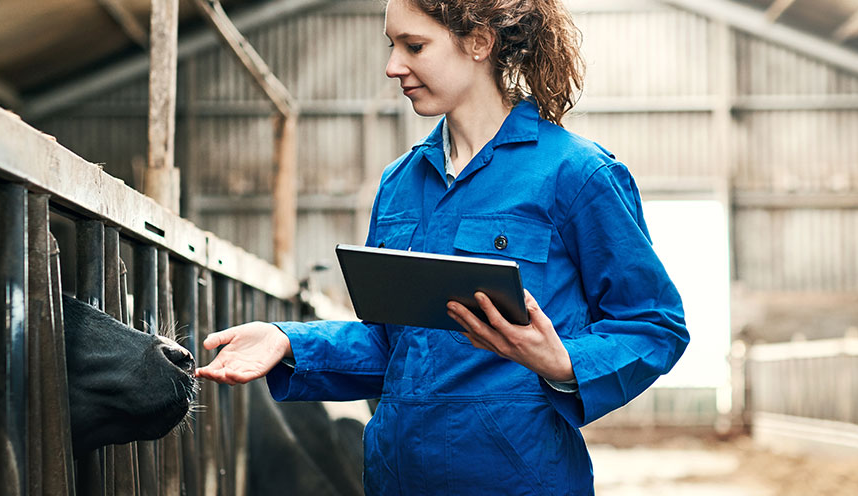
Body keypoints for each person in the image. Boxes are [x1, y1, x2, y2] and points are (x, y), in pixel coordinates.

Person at [194, 0, 690, 493]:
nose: (393, 67)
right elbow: (392, 347)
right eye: (393, 46)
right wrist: (289, 343)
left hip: (516, 480)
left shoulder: (576, 174)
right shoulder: (398, 185)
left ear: (479, 42)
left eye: (415, 46)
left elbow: (655, 324)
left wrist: (563, 363)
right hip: (397, 477)